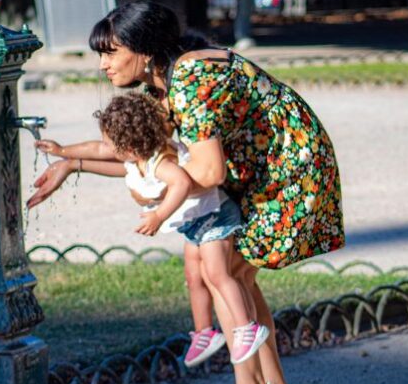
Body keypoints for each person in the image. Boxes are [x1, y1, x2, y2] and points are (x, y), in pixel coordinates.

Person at [28, 1, 345, 384]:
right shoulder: (164, 81)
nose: (102, 65)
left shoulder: (191, 81)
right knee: (239, 277)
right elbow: (147, 161)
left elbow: (208, 172)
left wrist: (158, 199)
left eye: (110, 52)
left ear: (142, 49)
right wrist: (71, 164)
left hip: (287, 170)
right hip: (267, 167)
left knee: (228, 272)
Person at [38, 93, 270, 368]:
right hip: (195, 223)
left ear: (131, 147)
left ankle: (247, 327)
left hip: (214, 218)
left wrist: (159, 215)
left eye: (111, 143)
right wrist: (62, 151)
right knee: (194, 277)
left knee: (217, 274)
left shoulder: (161, 161)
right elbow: (96, 151)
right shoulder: (138, 158)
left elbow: (181, 183)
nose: (105, 147)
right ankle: (205, 332)